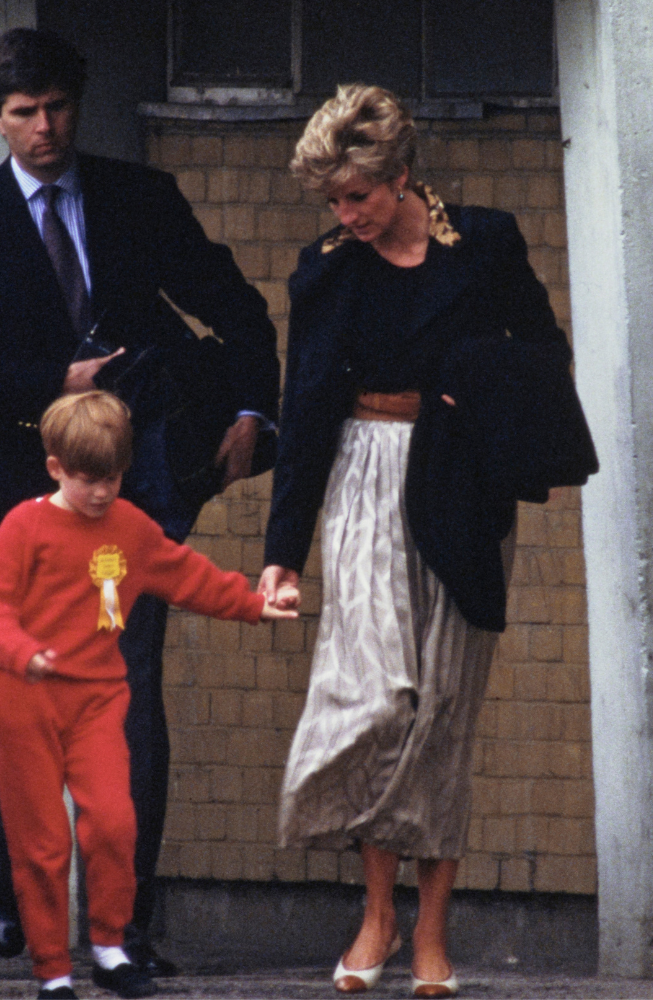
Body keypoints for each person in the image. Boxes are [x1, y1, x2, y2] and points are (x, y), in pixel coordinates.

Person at [0, 27, 280, 973]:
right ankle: (9, 879)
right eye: (24, 113)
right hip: (16, 491)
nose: (44, 127)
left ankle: (128, 927)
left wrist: (251, 408)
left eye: (57, 107)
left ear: (76, 105)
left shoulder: (137, 197)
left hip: (133, 488)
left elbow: (236, 305)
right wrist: (54, 381)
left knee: (129, 701)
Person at [257, 85, 589, 999]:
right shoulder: (327, 270)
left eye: (357, 195)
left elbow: (544, 350)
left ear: (400, 175)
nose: (345, 215)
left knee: (441, 711)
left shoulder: (484, 244)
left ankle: (430, 933)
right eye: (332, 200)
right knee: (374, 702)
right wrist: (282, 551)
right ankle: (378, 914)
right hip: (361, 476)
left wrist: (474, 393)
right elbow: (305, 408)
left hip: (460, 480)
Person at [0, 391, 296, 1000]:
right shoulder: (24, 526)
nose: (102, 492)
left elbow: (187, 575)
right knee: (42, 844)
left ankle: (110, 947)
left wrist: (255, 605)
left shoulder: (129, 527)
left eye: (113, 478)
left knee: (115, 823)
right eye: (88, 479)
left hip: (97, 699)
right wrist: (21, 652)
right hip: (25, 700)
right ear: (56, 469)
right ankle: (53, 972)